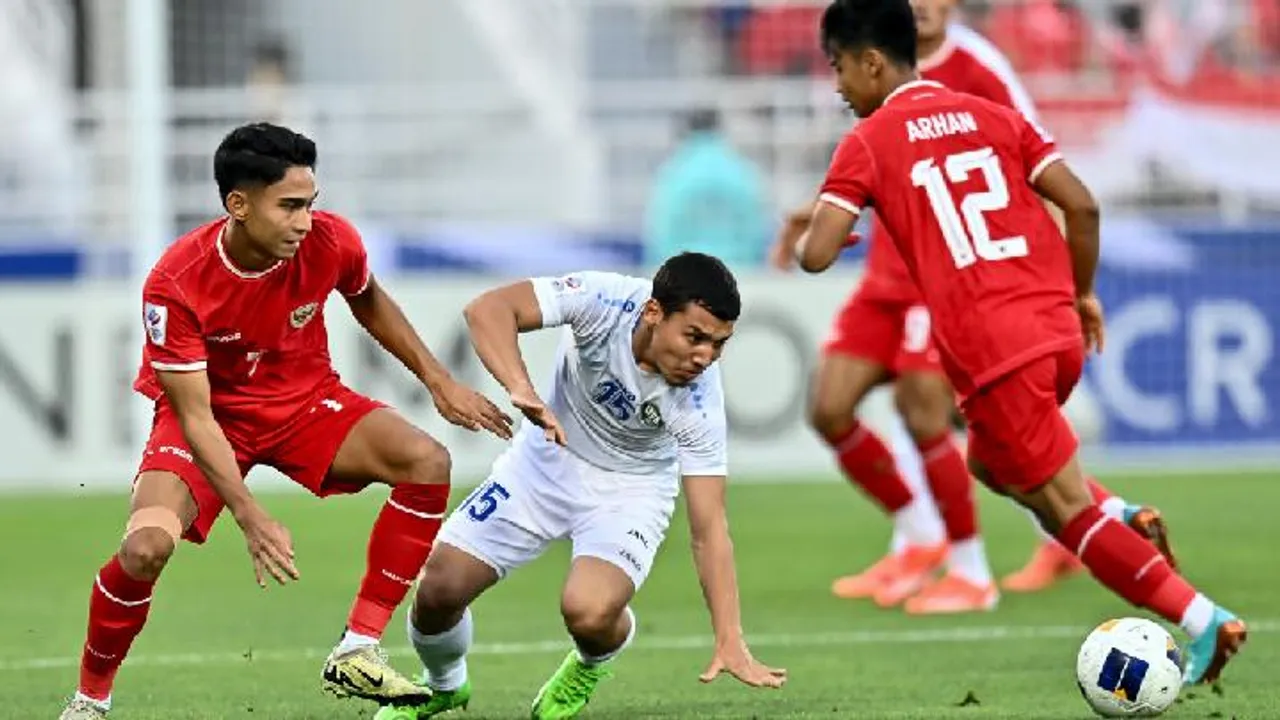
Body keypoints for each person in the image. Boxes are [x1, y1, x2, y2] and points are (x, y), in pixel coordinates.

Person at [792, 0, 1244, 685]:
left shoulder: (868, 142)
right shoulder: (993, 116)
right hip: (1055, 326)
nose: (836, 85)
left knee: (1065, 513)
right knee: (989, 463)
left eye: (838, 68)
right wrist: (1083, 292)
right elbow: (1083, 205)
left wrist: (817, 232)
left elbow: (817, 255)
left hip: (992, 347)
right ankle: (1120, 511)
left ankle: (1202, 620)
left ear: (872, 62)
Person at [59, 123, 514, 720]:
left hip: (304, 402)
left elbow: (367, 296)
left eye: (311, 204)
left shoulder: (329, 242)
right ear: (238, 205)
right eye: (290, 206)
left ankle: (359, 647)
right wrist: (250, 515)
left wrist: (438, 379)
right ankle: (90, 701)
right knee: (144, 548)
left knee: (427, 461)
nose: (305, 222)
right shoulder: (175, 283)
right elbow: (195, 417)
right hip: (211, 420)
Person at [375, 253, 786, 720]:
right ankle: (444, 686)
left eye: (718, 345)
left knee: (589, 613)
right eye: (695, 337)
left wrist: (729, 639)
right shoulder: (603, 301)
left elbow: (709, 528)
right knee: (438, 589)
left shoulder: (699, 404)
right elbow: (488, 310)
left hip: (630, 491)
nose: (704, 357)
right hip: (545, 460)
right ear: (653, 313)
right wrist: (520, 387)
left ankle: (593, 661)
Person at [644, 109, 772, 270]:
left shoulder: (674, 172)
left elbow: (661, 231)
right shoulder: (741, 170)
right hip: (739, 270)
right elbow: (757, 227)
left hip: (683, 272)